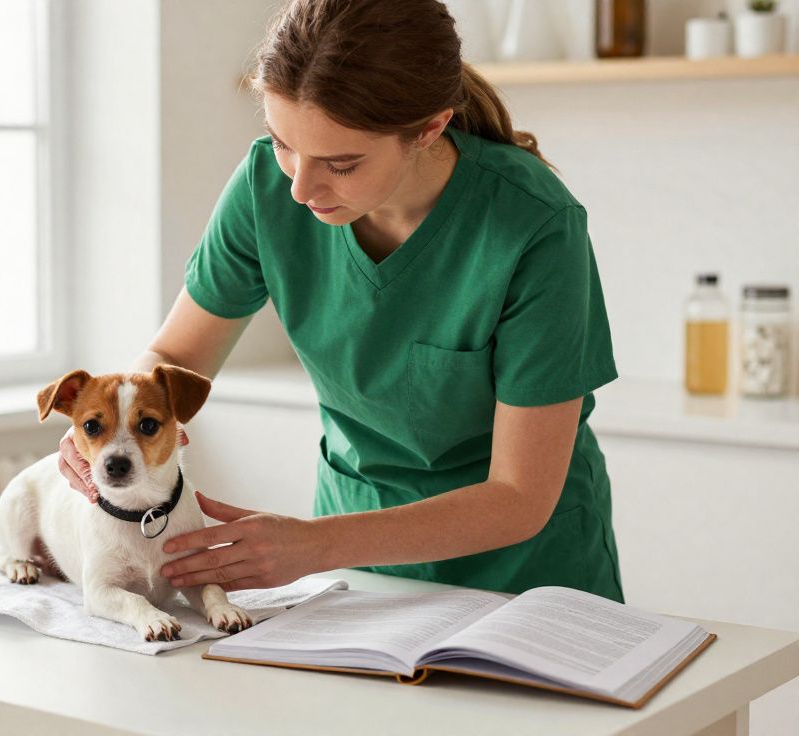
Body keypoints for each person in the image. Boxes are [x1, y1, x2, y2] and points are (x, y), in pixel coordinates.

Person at [59, 0, 624, 602]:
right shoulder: (265, 187)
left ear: (429, 127)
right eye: (282, 143)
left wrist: (315, 544)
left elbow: (518, 496)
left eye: (341, 162)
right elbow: (176, 354)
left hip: (524, 576)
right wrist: (108, 424)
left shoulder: (533, 224)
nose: (300, 188)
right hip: (355, 566)